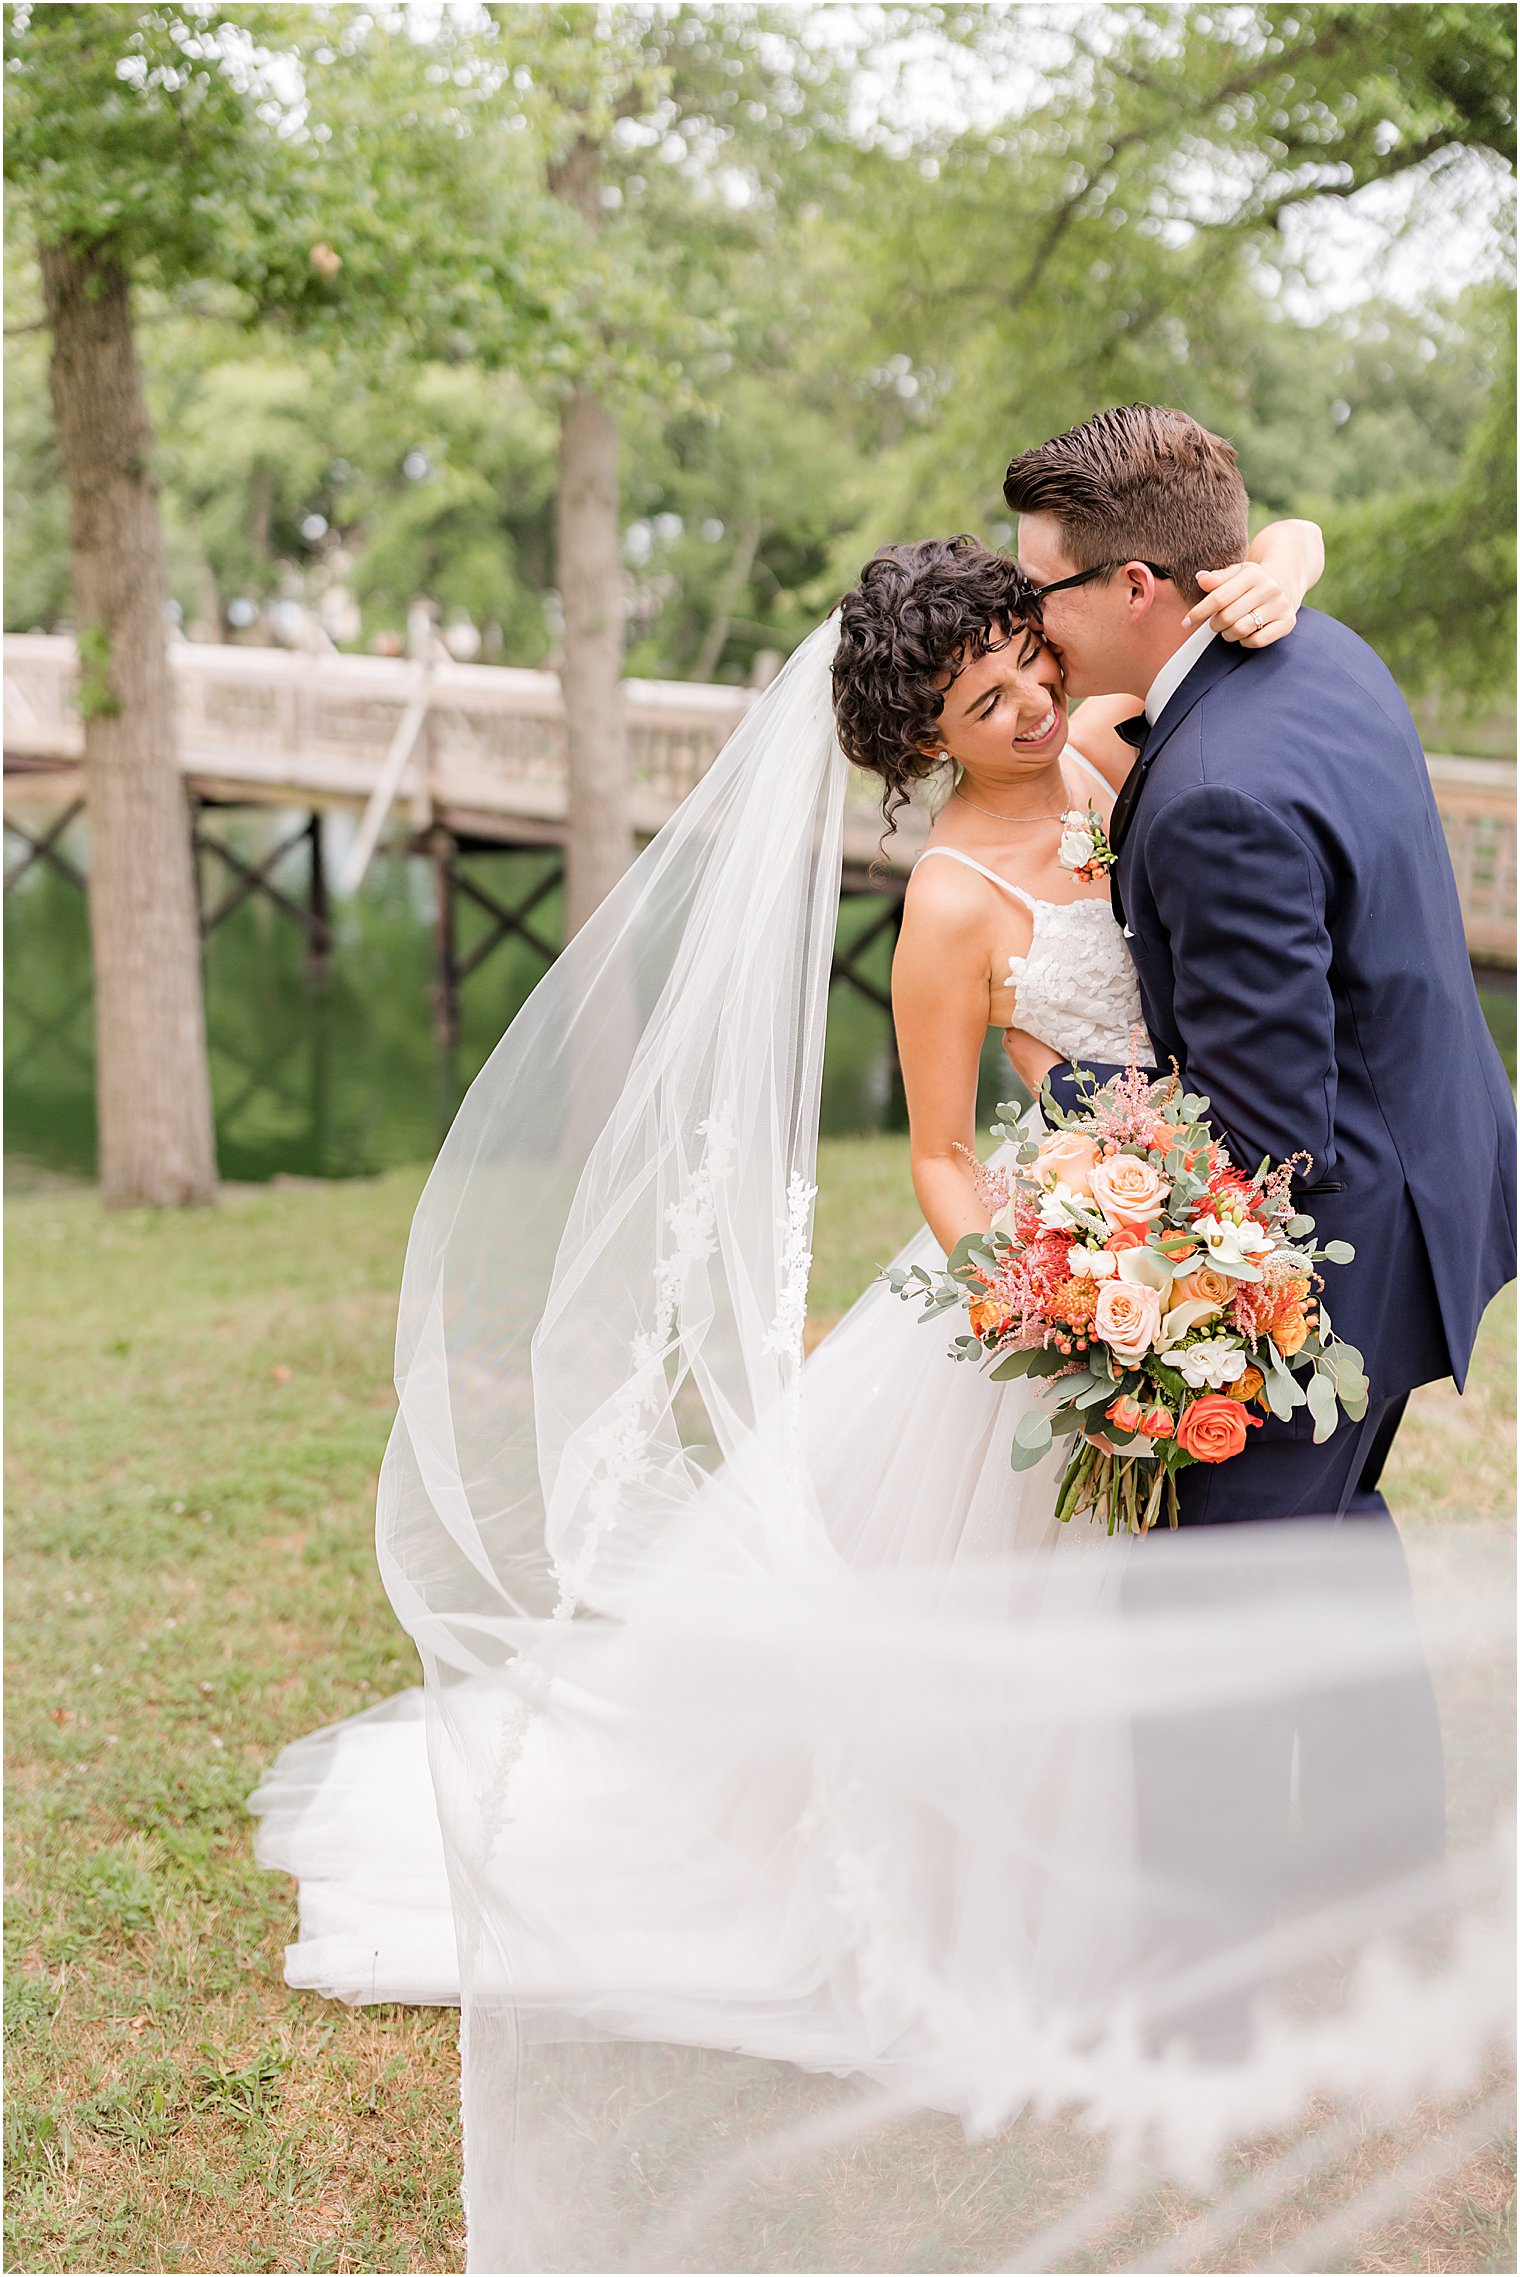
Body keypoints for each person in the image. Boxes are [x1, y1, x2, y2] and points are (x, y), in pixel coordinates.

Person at [250, 481, 1510, 2272]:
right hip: (1051, 1265)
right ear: (916, 750)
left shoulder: (1114, 742)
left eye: (1017, 654)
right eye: (974, 696)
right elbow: (937, 1146)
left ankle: (1208, 1915)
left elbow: (1250, 573)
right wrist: (1045, 1272)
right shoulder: (945, 900)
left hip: (1187, 1217)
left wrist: (1293, 553)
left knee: (1181, 1588)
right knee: (1072, 1608)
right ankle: (1112, 1936)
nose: (1015, 697)